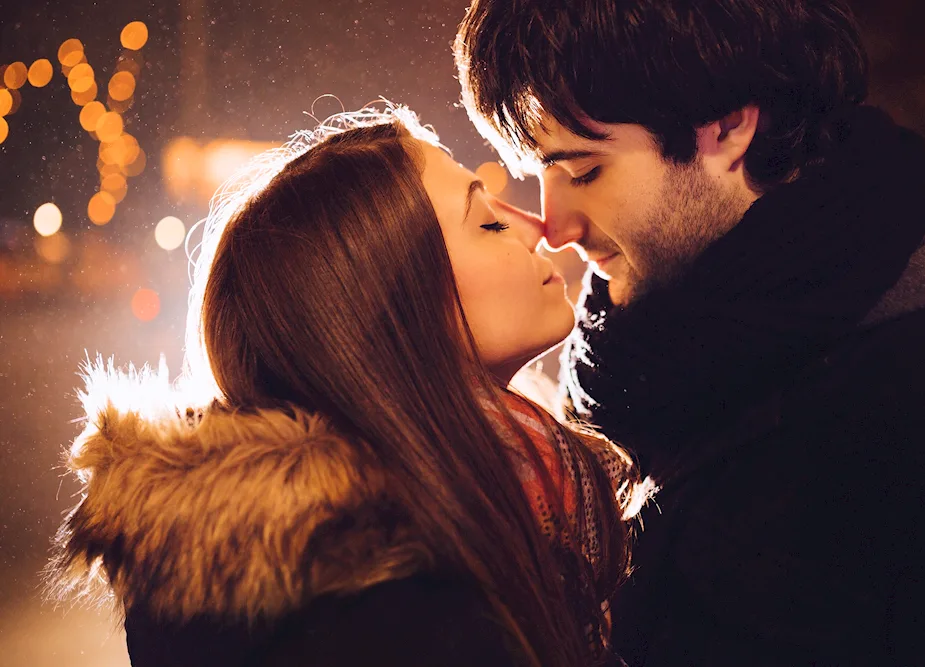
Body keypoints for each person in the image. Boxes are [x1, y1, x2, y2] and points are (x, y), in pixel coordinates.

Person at [455, 1, 925, 665]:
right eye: (540, 171)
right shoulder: (631, 360)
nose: (556, 225)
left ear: (731, 124)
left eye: (585, 171)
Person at [46, 106, 652, 667]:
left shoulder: (474, 515)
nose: (536, 228)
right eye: (488, 223)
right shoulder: (395, 610)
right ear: (391, 309)